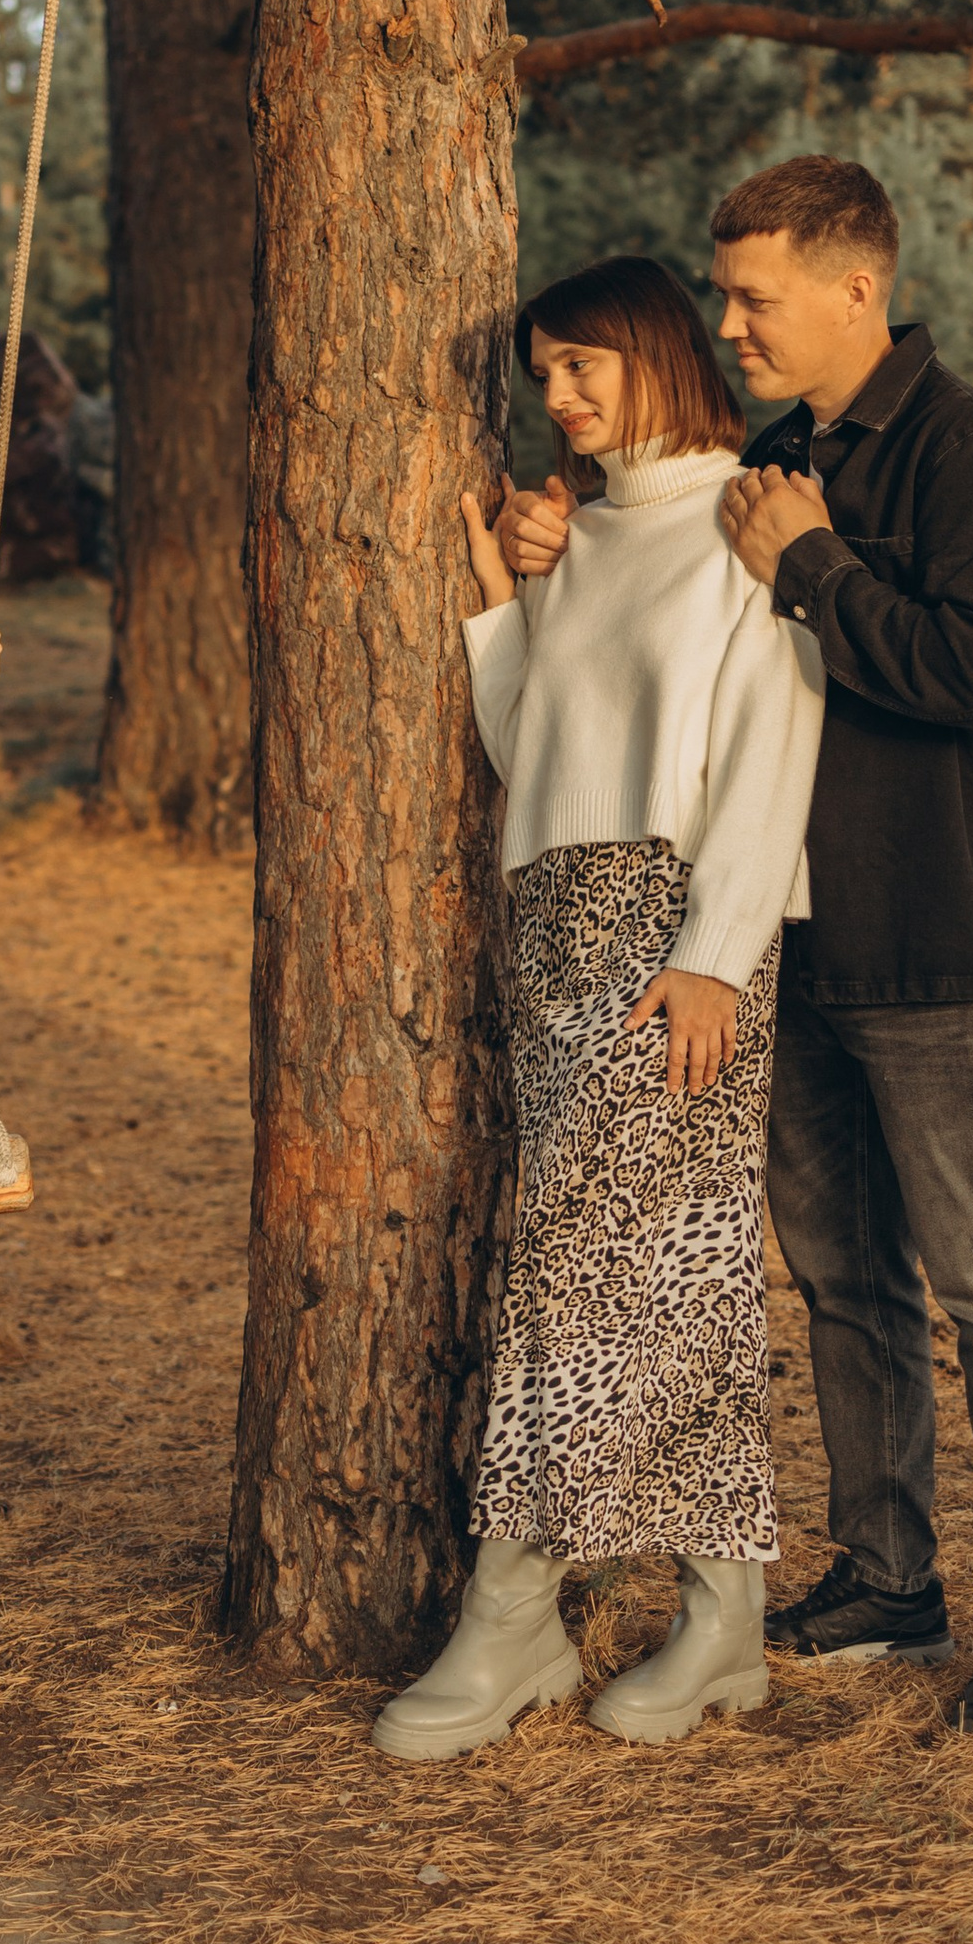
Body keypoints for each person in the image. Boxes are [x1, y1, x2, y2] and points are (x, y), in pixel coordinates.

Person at [501, 158, 973, 1734]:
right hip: (784, 945)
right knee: (843, 1282)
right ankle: (889, 1578)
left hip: (942, 943)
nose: (731, 325)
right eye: (722, 295)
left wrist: (814, 566)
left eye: (755, 296)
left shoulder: (970, 453)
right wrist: (557, 557)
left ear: (856, 288)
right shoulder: (768, 459)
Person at [373, 257, 825, 1765]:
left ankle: (511, 1611)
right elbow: (532, 746)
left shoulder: (745, 521)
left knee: (574, 1271)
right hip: (557, 929)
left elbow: (775, 739)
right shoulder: (580, 534)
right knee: (671, 1279)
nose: (558, 399)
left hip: (678, 933)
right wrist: (504, 605)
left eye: (584, 366)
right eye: (543, 376)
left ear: (654, 354)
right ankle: (723, 1615)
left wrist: (717, 950)